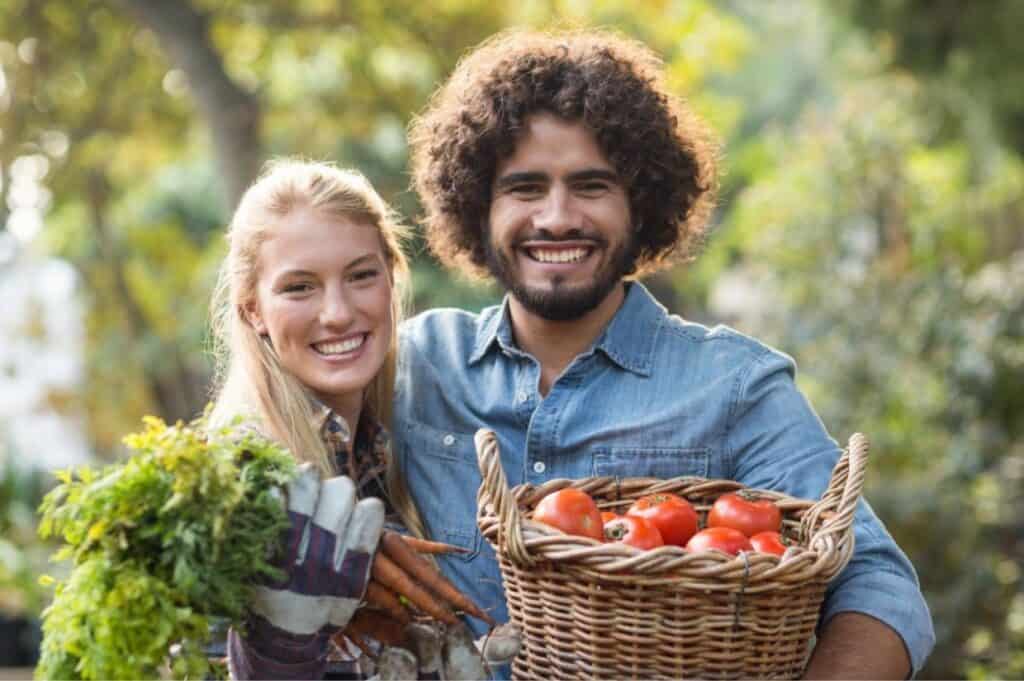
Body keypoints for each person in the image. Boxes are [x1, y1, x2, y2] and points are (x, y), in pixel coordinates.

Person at [396, 29, 936, 679]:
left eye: (591, 186)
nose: (558, 216)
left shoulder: (733, 386)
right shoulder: (417, 363)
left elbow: (881, 586)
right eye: (526, 187)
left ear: (642, 204)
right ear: (478, 206)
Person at [207, 160, 489, 679]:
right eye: (299, 287)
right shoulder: (232, 488)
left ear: (391, 278)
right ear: (253, 310)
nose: (337, 312)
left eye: (361, 276)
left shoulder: (388, 451)